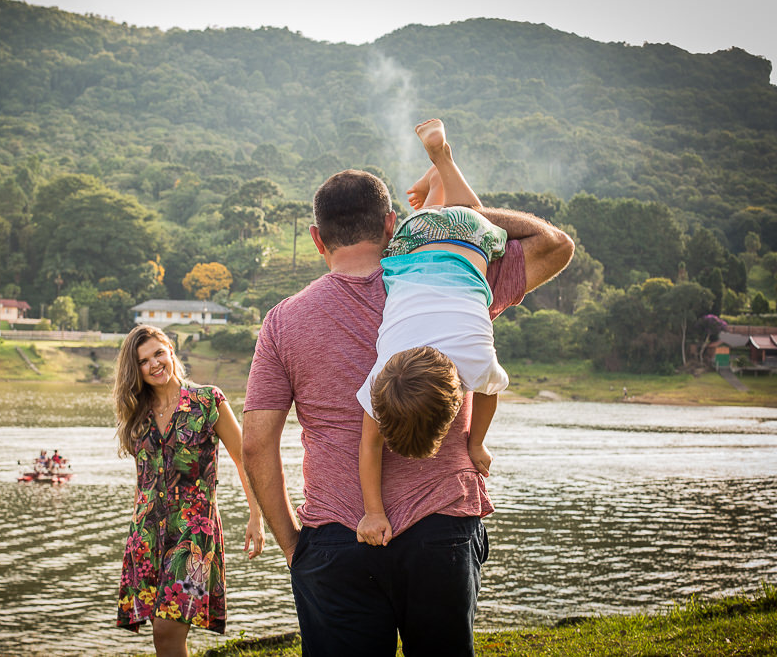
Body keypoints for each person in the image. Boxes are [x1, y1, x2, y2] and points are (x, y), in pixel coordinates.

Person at [242, 134, 574, 655]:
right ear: (391, 224)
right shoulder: (452, 278)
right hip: (441, 527)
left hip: (338, 535)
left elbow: (256, 444)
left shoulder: (283, 322)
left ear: (316, 239)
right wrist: (453, 215)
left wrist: (294, 546)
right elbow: (556, 244)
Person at [357, 118, 507, 547]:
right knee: (451, 219)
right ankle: (440, 171)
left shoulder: (475, 362)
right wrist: (474, 442)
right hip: (410, 239)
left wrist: (476, 444)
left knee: (471, 215)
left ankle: (443, 165)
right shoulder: (383, 374)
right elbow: (370, 445)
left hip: (466, 244)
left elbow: (489, 392)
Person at [114, 324, 265, 657]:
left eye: (158, 353)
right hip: (147, 534)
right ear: (135, 369)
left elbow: (244, 458)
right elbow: (144, 480)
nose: (154, 364)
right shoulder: (138, 415)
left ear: (170, 350)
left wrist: (256, 515)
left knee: (167, 630)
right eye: (143, 361)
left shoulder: (207, 401)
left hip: (193, 534)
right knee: (161, 635)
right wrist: (136, 533)